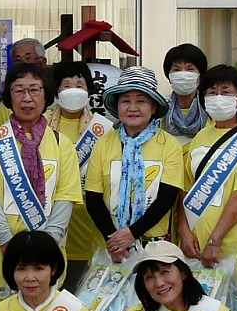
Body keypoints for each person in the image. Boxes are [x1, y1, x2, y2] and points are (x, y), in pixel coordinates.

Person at [0, 61, 82, 311]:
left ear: (46, 95)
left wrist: (46, 246)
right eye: (19, 91)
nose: (27, 98)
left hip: (48, 255)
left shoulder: (62, 144)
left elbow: (66, 197)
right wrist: (8, 243)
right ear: (9, 96)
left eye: (34, 90)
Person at [84, 67, 188, 260]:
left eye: (141, 101)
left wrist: (131, 234)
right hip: (109, 248)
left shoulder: (169, 145)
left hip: (155, 248)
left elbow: (167, 196)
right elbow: (93, 197)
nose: (132, 108)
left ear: (154, 107)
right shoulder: (104, 144)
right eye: (125, 101)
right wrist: (115, 241)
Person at [179, 65, 237, 277]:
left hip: (232, 243)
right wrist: (183, 230)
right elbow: (185, 189)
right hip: (195, 242)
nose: (218, 97)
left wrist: (215, 240)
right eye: (211, 92)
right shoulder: (200, 137)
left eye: (226, 91)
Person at [48, 60, 111, 287]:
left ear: (89, 90)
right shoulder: (41, 125)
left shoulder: (104, 128)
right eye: (66, 85)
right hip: (50, 220)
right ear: (56, 91)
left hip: (90, 222)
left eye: (79, 84)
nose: (73, 90)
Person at [0, 36, 48, 127]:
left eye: (28, 58)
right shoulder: (7, 104)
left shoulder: (58, 98)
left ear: (43, 62)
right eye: (17, 60)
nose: (23, 64)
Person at [162, 43, 210, 142]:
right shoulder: (160, 110)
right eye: (176, 69)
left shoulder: (211, 108)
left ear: (200, 76)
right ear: (169, 77)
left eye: (190, 69)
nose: (183, 74)